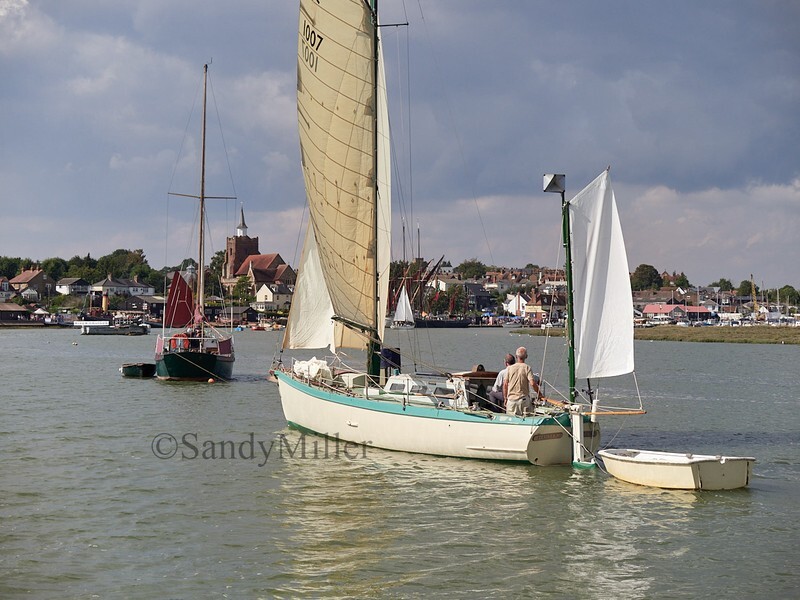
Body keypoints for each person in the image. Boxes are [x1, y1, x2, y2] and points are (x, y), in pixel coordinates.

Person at [503, 346, 541, 416]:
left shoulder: (509, 368)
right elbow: (532, 383)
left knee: (511, 421)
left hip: (511, 400)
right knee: (527, 419)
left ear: (516, 356)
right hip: (523, 400)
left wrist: (505, 398)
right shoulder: (527, 367)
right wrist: (540, 394)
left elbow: (505, 384)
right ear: (526, 356)